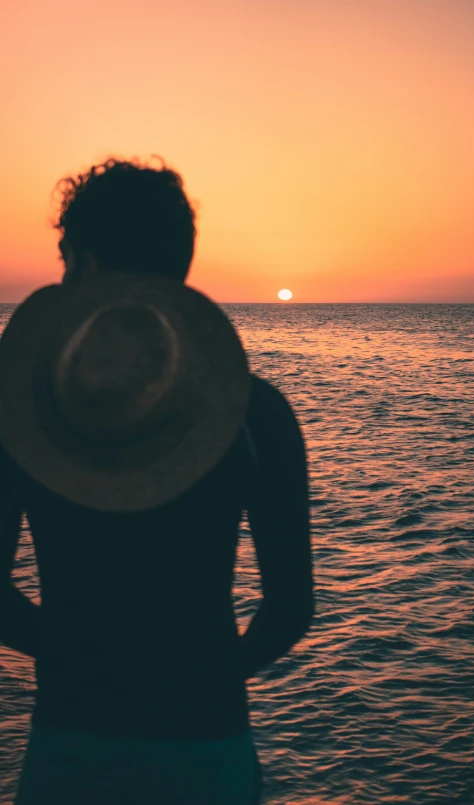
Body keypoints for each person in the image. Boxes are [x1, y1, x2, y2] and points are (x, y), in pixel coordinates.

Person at [0, 158, 314, 804]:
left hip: (71, 737)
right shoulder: (256, 413)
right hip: (206, 737)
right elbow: (289, 606)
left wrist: (73, 658)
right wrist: (214, 671)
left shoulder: (24, 413)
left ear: (85, 267)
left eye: (64, 258)